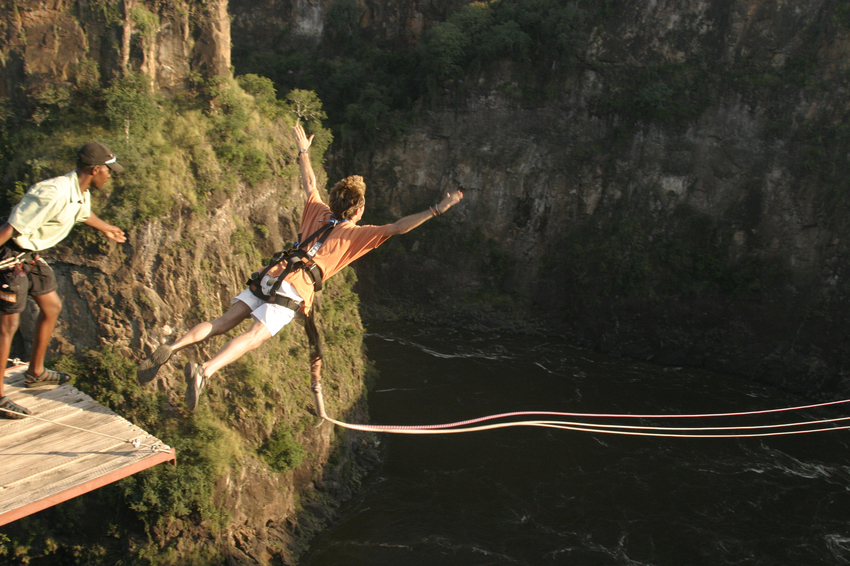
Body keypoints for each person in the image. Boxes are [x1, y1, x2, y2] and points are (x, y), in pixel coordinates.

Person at [137, 124, 463, 411]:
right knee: (254, 336)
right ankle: (205, 371)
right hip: (294, 290)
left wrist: (303, 151)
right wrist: (436, 209)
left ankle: (174, 345)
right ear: (358, 209)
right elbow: (397, 228)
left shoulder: (317, 211)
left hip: (271, 275)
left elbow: (310, 184)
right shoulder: (356, 235)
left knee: (223, 321)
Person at [0, 142, 127, 419]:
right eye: (108, 170)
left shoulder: (80, 192)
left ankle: (36, 372)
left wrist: (107, 228)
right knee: (8, 325)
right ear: (95, 169)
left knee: (52, 307)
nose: (110, 175)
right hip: (11, 256)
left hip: (30, 255)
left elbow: (82, 214)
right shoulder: (52, 193)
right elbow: (10, 228)